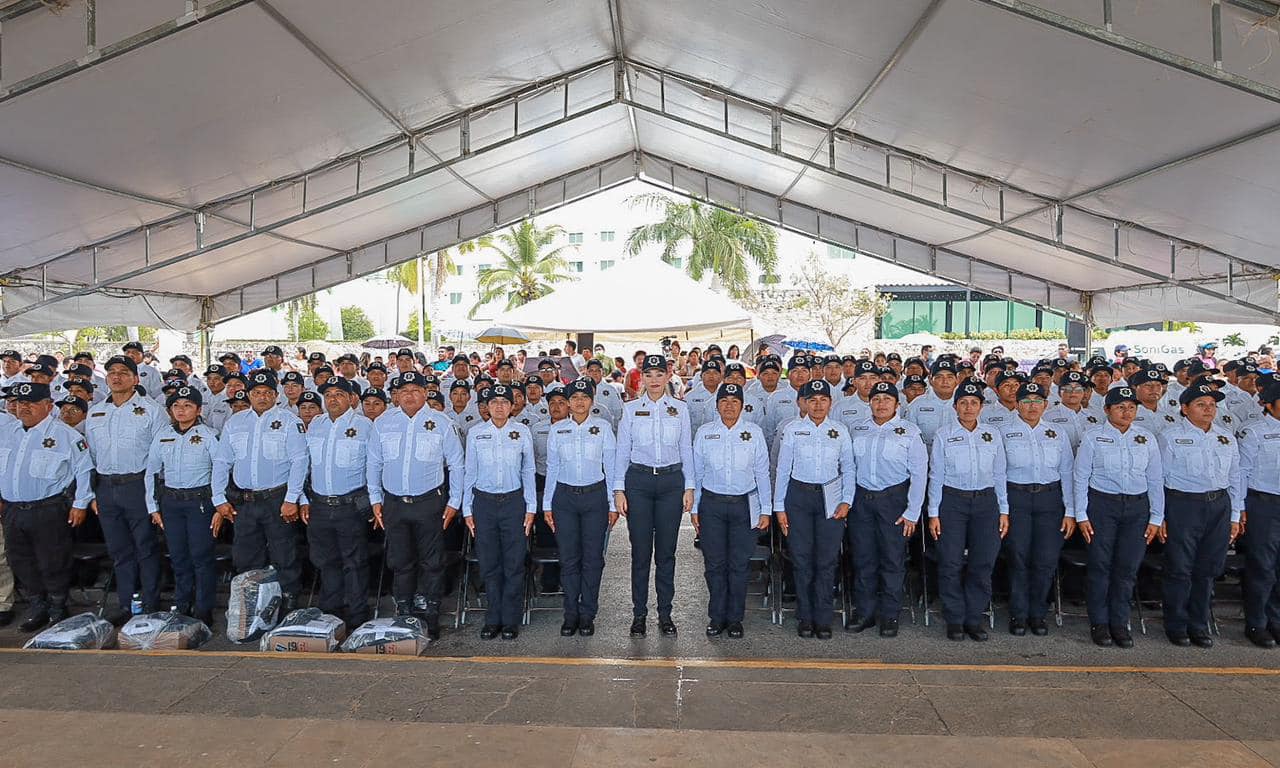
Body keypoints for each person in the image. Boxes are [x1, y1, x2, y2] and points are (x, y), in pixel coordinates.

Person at [366, 371, 462, 640]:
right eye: (404, 390)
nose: (409, 395)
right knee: (400, 561)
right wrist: (375, 499)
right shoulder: (383, 423)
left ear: (425, 393)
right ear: (396, 394)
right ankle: (404, 611)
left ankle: (431, 614)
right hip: (394, 503)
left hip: (430, 502)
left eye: (415, 390)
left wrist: (454, 502)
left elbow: (456, 464)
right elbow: (373, 463)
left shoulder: (441, 422)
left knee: (432, 562)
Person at [211, 370, 309, 616]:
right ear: (249, 394)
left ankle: (288, 604)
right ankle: (252, 605)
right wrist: (218, 499)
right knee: (245, 555)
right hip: (245, 500)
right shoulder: (235, 422)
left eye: (267, 393)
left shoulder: (289, 421)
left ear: (276, 396)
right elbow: (222, 461)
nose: (262, 397)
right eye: (257, 393)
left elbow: (300, 461)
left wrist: (291, 499)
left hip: (277, 499)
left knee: (284, 554)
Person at [1072, 385, 1164, 648]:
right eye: (1121, 407)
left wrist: (1156, 516)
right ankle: (1099, 623)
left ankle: (1120, 622)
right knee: (1101, 566)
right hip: (1102, 506)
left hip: (1137, 508)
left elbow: (1155, 478)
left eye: (1131, 407)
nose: (1127, 412)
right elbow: (1081, 477)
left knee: (1127, 567)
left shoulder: (1145, 438)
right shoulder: (1093, 437)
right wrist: (1081, 514)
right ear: (1107, 410)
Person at [0, 382, 93, 631]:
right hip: (13, 509)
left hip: (48, 508)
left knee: (52, 560)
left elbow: (84, 471)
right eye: (20, 403)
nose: (24, 408)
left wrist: (80, 504)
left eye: (31, 403)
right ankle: (36, 604)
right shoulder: (8, 433)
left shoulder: (65, 435)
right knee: (21, 560)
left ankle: (57, 606)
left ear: (48, 406)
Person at [614, 353, 694, 637]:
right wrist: (618, 489)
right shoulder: (631, 409)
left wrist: (690, 486)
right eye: (649, 375)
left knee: (666, 553)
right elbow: (622, 451)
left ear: (668, 376)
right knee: (640, 553)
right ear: (642, 378)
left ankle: (665, 613)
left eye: (660, 374)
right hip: (639, 482)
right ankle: (639, 615)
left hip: (671, 482)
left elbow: (687, 449)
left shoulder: (680, 409)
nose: (655, 380)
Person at [1158, 382, 1242, 648]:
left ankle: (1199, 623)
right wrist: (1159, 516)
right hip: (1183, 504)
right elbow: (1158, 478)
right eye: (1201, 405)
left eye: (1212, 405)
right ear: (1184, 409)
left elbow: (1235, 477)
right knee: (1180, 568)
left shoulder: (1225, 436)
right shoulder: (1170, 436)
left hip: (1218, 505)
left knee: (1207, 569)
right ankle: (1177, 624)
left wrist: (1236, 514)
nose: (1208, 410)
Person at [84, 354, 166, 623]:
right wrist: (91, 493)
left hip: (138, 485)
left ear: (134, 378)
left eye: (122, 372)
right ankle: (126, 603)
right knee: (119, 550)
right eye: (111, 372)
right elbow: (90, 457)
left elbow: (159, 455)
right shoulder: (96, 411)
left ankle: (151, 602)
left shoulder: (152, 410)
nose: (116, 377)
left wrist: (154, 493)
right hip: (106, 486)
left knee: (145, 546)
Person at [927, 381, 1008, 642]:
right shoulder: (943, 434)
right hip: (952, 502)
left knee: (982, 562)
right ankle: (954, 619)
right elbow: (935, 474)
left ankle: (974, 618)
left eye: (974, 403)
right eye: (963, 403)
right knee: (950, 561)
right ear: (955, 407)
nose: (969, 407)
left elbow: (999, 474)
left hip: (986, 503)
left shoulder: (992, 434)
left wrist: (1003, 510)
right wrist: (933, 512)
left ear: (981, 406)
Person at [774, 378, 855, 639]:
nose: (818, 405)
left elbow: (849, 467)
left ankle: (823, 617)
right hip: (799, 497)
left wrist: (847, 500)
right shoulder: (793, 429)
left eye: (823, 400)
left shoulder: (840, 430)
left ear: (831, 403)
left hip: (830, 497)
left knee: (827, 560)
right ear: (804, 403)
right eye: (812, 400)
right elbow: (783, 469)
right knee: (801, 559)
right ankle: (805, 616)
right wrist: (779, 507)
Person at [690, 382, 771, 639]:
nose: (729, 406)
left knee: (738, 565)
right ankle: (716, 617)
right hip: (712, 504)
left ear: (742, 406)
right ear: (717, 405)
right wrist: (694, 507)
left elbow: (762, 473)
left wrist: (766, 509)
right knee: (714, 564)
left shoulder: (753, 432)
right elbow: (697, 472)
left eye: (734, 402)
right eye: (724, 401)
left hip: (744, 505)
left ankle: (735, 618)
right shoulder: (705, 432)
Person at [845, 381, 926, 637]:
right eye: (876, 399)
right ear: (869, 402)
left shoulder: (909, 431)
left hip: (894, 500)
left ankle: (890, 615)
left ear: (897, 404)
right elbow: (847, 467)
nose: (881, 404)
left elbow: (920, 474)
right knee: (863, 558)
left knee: (892, 559)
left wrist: (913, 511)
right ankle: (865, 612)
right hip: (862, 500)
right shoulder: (857, 428)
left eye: (886, 399)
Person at [543, 379, 617, 637]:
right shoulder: (558, 430)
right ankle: (570, 613)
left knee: (593, 558)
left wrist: (612, 503)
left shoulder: (603, 427)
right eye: (574, 398)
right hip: (564, 498)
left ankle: (587, 613)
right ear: (568, 402)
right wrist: (547, 504)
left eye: (584, 397)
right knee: (569, 558)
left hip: (595, 497)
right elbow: (552, 468)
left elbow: (611, 466)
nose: (579, 402)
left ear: (592, 401)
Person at [1000, 382, 1075, 636]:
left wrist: (1070, 511)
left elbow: (1067, 471)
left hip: (1050, 501)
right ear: (1017, 405)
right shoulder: (1003, 432)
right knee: (1018, 557)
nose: (1032, 406)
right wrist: (1003, 509)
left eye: (1037, 401)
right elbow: (998, 473)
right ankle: (1019, 614)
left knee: (1045, 559)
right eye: (1026, 401)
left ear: (1045, 404)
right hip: (1016, 499)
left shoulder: (1057, 432)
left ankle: (1038, 614)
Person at [463, 383, 536, 640]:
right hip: (483, 503)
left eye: (504, 402)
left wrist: (531, 507)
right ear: (486, 407)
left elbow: (528, 470)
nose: (499, 407)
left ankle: (510, 619)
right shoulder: (476, 433)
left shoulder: (522, 432)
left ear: (512, 406)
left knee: (514, 563)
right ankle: (492, 618)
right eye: (494, 403)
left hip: (513, 503)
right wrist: (467, 509)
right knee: (490, 563)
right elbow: (469, 472)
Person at [143, 386, 220, 626]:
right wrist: (152, 507)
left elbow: (220, 470)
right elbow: (152, 472)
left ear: (198, 409)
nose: (181, 410)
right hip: (171, 502)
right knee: (178, 556)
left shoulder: (210, 435)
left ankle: (204, 607)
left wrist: (219, 505)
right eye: (176, 406)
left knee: (201, 555)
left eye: (187, 405)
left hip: (199, 501)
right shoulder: (164, 435)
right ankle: (183, 602)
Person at [302, 378, 374, 630]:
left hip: (350, 505)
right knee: (325, 561)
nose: (333, 398)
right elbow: (305, 465)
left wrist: (374, 503)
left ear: (352, 398)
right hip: (320, 504)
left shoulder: (365, 426)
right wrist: (302, 498)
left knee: (354, 563)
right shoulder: (316, 425)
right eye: (328, 394)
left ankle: (357, 616)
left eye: (339, 394)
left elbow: (374, 467)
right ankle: (330, 615)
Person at [1239, 382, 1280, 647]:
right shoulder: (1253, 432)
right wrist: (1239, 508)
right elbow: (1241, 472)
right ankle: (1257, 623)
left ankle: (1276, 620)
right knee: (1263, 567)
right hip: (1263, 504)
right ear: (1269, 404)